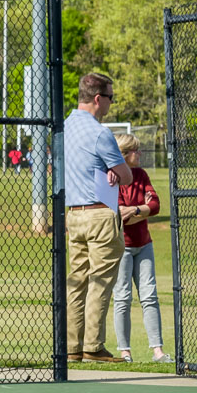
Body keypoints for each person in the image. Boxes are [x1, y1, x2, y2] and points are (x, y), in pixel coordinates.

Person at [64, 73, 132, 363]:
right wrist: (116, 170)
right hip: (100, 214)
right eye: (110, 98)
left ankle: (71, 348)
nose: (110, 104)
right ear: (97, 98)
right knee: (101, 282)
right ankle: (93, 346)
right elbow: (126, 176)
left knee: (76, 282)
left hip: (73, 215)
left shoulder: (63, 127)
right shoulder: (100, 133)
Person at [112, 133, 172, 364]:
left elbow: (154, 205)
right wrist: (140, 210)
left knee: (149, 297)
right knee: (123, 298)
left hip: (144, 244)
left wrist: (137, 210)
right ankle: (124, 352)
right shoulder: (113, 178)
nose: (140, 153)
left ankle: (158, 351)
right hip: (122, 247)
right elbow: (117, 215)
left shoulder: (141, 174)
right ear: (124, 155)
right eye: (135, 150)